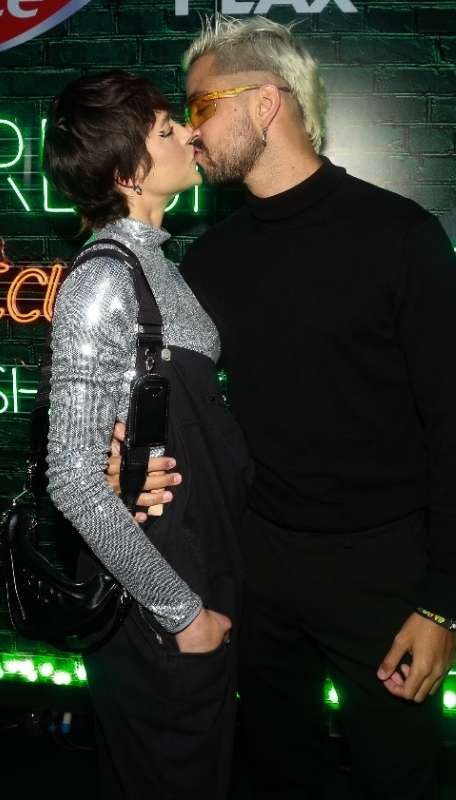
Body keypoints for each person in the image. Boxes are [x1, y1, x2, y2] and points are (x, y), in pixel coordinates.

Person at [149, 16, 456, 797]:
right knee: (273, 775)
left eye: (201, 107)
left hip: (383, 573)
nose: (191, 133)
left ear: (265, 103)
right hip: (257, 567)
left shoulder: (400, 236)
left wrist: (443, 606)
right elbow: (174, 404)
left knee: (396, 778)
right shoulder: (212, 259)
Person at [42, 71, 248, 798]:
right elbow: (72, 479)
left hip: (192, 559)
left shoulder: (157, 262)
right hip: (155, 594)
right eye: (167, 130)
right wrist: (180, 615)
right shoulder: (102, 279)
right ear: (127, 172)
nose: (190, 133)